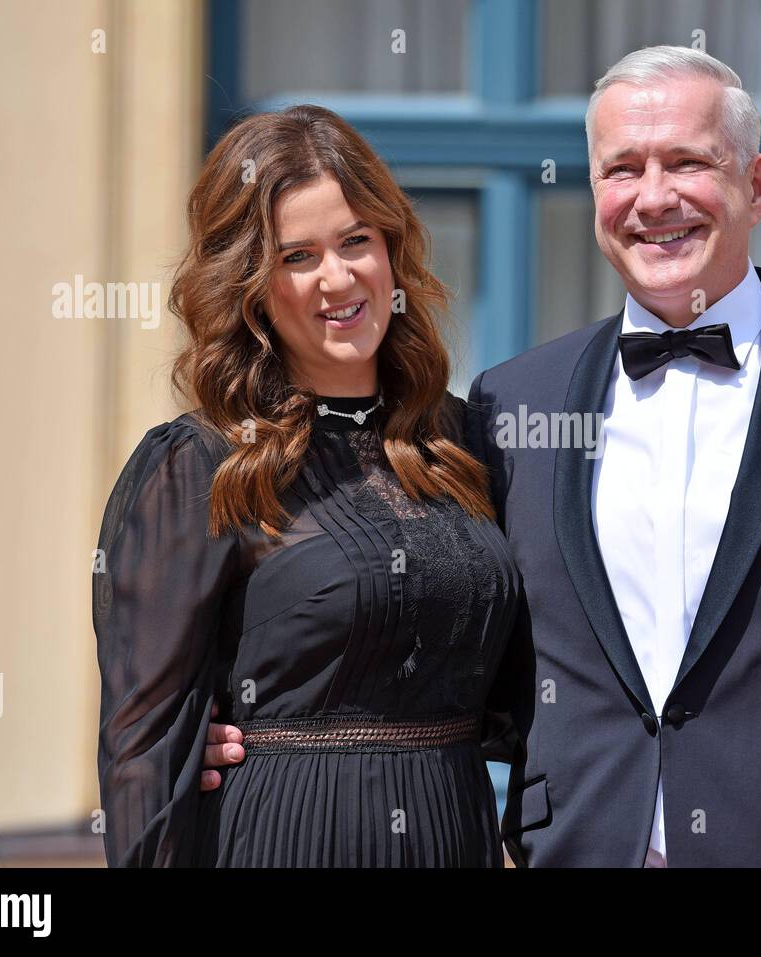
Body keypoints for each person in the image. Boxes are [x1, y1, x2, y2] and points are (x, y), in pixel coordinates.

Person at [203, 46, 761, 867]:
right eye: (623, 169)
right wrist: (257, 730)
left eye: (686, 161)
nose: (654, 197)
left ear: (756, 185)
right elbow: (453, 628)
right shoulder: (512, 403)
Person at [94, 104, 521, 867]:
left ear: (391, 249)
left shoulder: (463, 440)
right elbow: (143, 754)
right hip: (283, 839)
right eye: (297, 255)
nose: (338, 277)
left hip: (453, 834)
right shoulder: (199, 464)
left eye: (357, 240)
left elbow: (523, 690)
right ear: (251, 287)